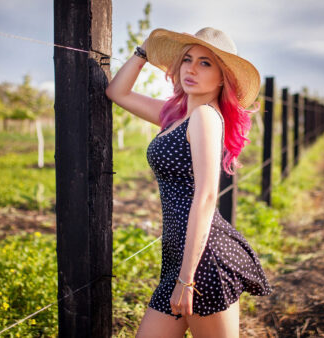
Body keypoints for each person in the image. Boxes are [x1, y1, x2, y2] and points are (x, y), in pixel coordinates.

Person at [105, 27, 272, 338]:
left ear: (223, 77)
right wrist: (143, 52)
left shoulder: (206, 118)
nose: (191, 69)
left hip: (202, 262)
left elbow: (207, 196)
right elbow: (118, 93)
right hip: (180, 258)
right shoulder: (177, 116)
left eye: (205, 63)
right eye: (187, 60)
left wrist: (187, 279)